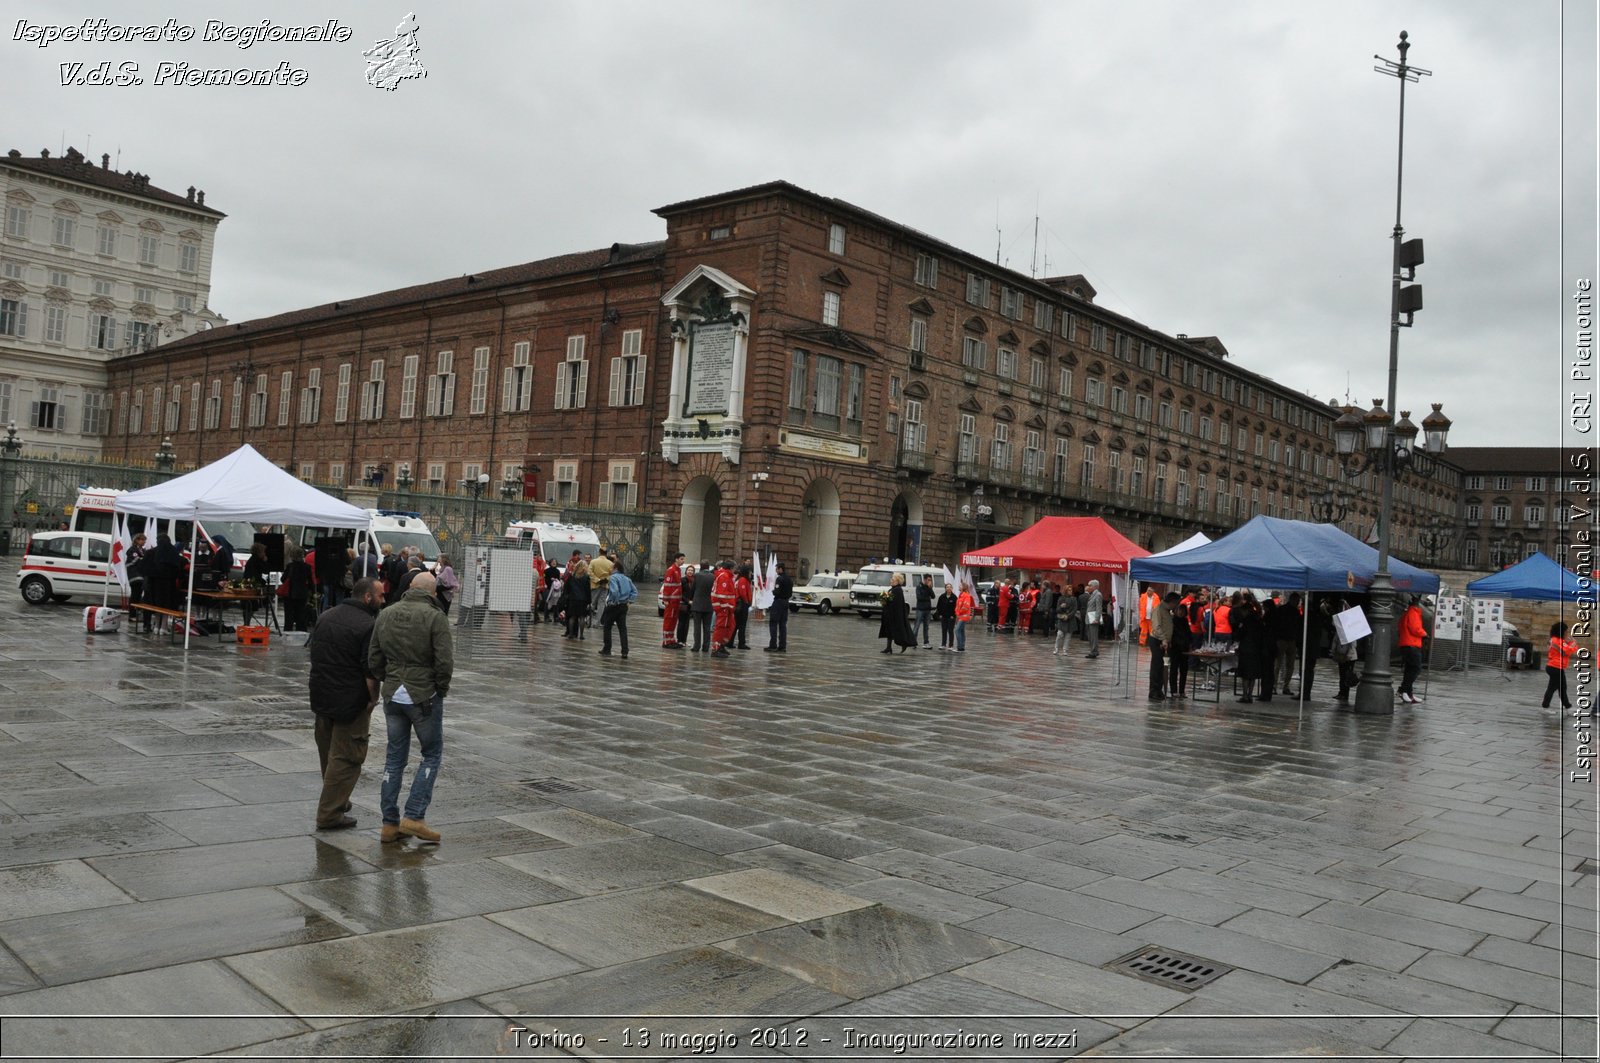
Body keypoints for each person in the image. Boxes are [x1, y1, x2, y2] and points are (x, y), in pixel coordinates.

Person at [368, 571, 452, 844]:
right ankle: (414, 816)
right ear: (432, 593)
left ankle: (389, 824)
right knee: (431, 754)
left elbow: (374, 656)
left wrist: (387, 679)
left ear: (410, 588)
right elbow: (444, 662)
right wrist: (440, 688)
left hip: (393, 692)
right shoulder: (435, 617)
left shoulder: (387, 613)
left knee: (394, 758)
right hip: (423, 693)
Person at [306, 576, 382, 831]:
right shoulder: (367, 624)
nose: (383, 600)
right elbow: (370, 669)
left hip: (322, 694)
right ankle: (330, 813)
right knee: (347, 756)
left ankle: (338, 800)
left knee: (327, 752)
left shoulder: (326, 616)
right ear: (367, 597)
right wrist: (373, 698)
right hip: (350, 699)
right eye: (380, 596)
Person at [1235, 593, 1272, 703]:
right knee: (1253, 674)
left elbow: (1239, 635)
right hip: (1257, 649)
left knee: (1245, 674)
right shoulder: (1258, 620)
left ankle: (1245, 695)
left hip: (1246, 649)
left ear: (1246, 611)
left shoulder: (1245, 621)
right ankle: (1250, 695)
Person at [599, 566, 637, 657]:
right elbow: (634, 591)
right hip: (624, 605)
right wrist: (629, 601)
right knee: (622, 628)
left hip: (614, 606)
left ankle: (607, 648)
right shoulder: (627, 579)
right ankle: (625, 651)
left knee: (607, 626)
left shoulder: (613, 578)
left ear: (616, 568)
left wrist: (614, 601)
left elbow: (615, 591)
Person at [1395, 595, 1427, 704]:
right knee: (1415, 669)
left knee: (1409, 669)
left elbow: (1400, 628)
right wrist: (1424, 634)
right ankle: (1403, 689)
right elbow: (1415, 629)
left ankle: (1408, 693)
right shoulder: (1413, 613)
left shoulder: (1406, 613)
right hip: (1412, 644)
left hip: (1406, 644)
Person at [1148, 591, 1177, 700]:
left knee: (1161, 667)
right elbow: (1157, 626)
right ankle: (1154, 690)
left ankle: (1159, 689)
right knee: (1156, 666)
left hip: (1164, 641)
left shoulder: (1167, 611)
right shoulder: (1159, 609)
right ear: (1172, 602)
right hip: (1157, 640)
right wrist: (1164, 639)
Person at [878, 572, 917, 653]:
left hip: (895, 615)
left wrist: (885, 598)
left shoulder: (897, 590)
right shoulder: (892, 589)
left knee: (897, 631)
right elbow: (888, 601)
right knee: (889, 631)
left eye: (893, 579)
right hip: (890, 614)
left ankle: (904, 644)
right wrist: (884, 598)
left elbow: (893, 602)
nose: (891, 580)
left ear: (897, 581)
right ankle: (889, 648)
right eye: (891, 579)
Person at [1544, 621, 1579, 710]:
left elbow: (1563, 650)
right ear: (1561, 631)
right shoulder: (1557, 640)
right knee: (1555, 688)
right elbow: (1567, 651)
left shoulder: (1556, 639)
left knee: (1560, 688)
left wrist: (1568, 643)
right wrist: (1574, 643)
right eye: (1566, 631)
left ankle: (1567, 706)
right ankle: (1546, 707)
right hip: (1555, 667)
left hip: (1555, 667)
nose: (1567, 633)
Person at [1274, 592, 1303, 696]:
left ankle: (1275, 686)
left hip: (1282, 639)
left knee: (1278, 664)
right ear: (1293, 600)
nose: (1298, 603)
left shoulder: (1281, 609)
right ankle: (1285, 686)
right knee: (1289, 665)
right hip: (1290, 640)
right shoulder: (1295, 612)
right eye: (1298, 600)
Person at [282, 545, 315, 632]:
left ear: (292, 555)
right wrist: (312, 592)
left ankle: (288, 634)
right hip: (302, 595)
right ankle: (301, 634)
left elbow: (283, 579)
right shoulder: (307, 567)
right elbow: (311, 582)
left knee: (288, 618)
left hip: (289, 595)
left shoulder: (289, 566)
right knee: (301, 617)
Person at [710, 560, 738, 657]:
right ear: (730, 568)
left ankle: (721, 645)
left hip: (727, 607)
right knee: (721, 627)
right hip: (724, 607)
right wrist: (728, 605)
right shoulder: (724, 577)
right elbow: (722, 595)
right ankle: (716, 648)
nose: (735, 570)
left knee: (729, 626)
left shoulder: (727, 576)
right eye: (734, 568)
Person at [765, 561, 793, 652]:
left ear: (780, 569)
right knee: (783, 625)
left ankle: (773, 645)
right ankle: (782, 646)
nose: (776, 571)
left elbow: (777, 591)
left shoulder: (779, 579)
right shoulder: (789, 579)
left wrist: (773, 591)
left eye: (777, 569)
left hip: (778, 602)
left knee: (773, 623)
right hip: (786, 602)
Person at [690, 561, 715, 653]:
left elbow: (693, 588)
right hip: (709, 605)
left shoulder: (697, 575)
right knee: (707, 627)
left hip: (697, 605)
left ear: (701, 566)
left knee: (697, 627)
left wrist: (691, 598)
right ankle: (706, 647)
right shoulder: (713, 576)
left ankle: (696, 646)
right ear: (708, 567)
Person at [1169, 601, 1192, 698]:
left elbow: (1188, 634)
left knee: (1184, 670)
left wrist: (1189, 644)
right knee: (1174, 669)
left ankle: (1182, 690)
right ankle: (1174, 690)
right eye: (1179, 610)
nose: (1181, 612)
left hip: (1184, 649)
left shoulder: (1185, 621)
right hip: (1175, 648)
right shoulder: (1172, 621)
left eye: (1183, 610)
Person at [662, 552, 685, 648]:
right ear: (676, 559)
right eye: (681, 559)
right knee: (669, 620)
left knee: (674, 620)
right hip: (671, 601)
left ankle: (671, 639)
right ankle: (666, 641)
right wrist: (666, 599)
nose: (683, 561)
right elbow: (667, 585)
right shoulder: (671, 570)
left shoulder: (678, 570)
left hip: (676, 601)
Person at [587, 550, 615, 630]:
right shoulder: (610, 563)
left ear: (599, 553)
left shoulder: (593, 561)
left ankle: (588, 620)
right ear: (606, 553)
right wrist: (606, 579)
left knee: (592, 603)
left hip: (595, 585)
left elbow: (589, 572)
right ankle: (597, 623)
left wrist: (597, 579)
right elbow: (612, 574)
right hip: (605, 586)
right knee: (601, 604)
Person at [564, 560, 590, 640]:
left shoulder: (572, 576)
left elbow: (567, 587)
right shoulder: (586, 577)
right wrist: (589, 601)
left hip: (573, 598)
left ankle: (571, 634)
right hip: (583, 599)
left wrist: (567, 596)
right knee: (582, 617)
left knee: (572, 617)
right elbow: (588, 590)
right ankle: (581, 635)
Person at [733, 563, 754, 649]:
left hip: (740, 604)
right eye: (750, 571)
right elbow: (742, 593)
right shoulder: (743, 580)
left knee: (736, 625)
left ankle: (730, 641)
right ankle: (741, 643)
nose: (751, 573)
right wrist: (747, 602)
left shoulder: (740, 579)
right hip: (742, 604)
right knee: (742, 625)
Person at [1083, 580, 1104, 658]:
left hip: (1093, 618)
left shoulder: (1098, 594)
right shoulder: (1092, 594)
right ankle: (1093, 650)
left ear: (1094, 586)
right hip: (1089, 618)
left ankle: (1094, 651)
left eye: (1090, 585)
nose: (1089, 587)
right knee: (1090, 636)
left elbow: (1099, 607)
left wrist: (1097, 618)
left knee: (1093, 636)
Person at [914, 574, 935, 647]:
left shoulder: (929, 587)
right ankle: (913, 641)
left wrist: (929, 588)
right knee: (917, 626)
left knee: (926, 627)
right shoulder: (919, 587)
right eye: (928, 580)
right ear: (925, 580)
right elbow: (919, 597)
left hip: (927, 610)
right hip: (920, 609)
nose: (930, 581)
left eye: (930, 580)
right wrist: (927, 597)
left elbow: (933, 596)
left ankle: (926, 642)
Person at [935, 583, 957, 651]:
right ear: (945, 588)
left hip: (951, 617)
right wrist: (940, 614)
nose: (949, 588)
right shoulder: (942, 596)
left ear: (952, 588)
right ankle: (943, 644)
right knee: (944, 630)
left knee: (950, 631)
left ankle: (951, 645)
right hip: (943, 617)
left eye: (950, 587)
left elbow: (956, 607)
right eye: (947, 587)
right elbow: (938, 606)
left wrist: (953, 615)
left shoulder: (954, 597)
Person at [954, 582, 975, 652]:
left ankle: (959, 647)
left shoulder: (966, 595)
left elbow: (965, 606)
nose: (959, 586)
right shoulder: (961, 595)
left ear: (964, 587)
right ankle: (962, 647)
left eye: (960, 586)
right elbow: (958, 605)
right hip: (960, 616)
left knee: (957, 630)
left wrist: (959, 612)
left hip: (964, 616)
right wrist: (957, 613)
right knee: (961, 631)